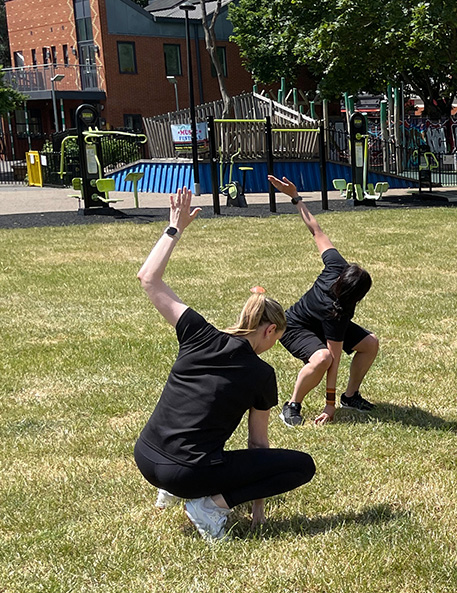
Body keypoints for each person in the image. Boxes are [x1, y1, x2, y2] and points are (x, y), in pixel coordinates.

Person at [134, 188, 316, 540]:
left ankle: (169, 493)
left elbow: (148, 278)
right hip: (186, 472)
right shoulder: (262, 374)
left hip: (146, 456)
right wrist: (256, 512)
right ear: (270, 330)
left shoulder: (198, 332)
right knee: (301, 466)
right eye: (276, 339)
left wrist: (174, 228)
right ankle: (210, 505)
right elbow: (258, 448)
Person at [268, 175, 380, 426]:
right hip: (295, 327)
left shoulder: (336, 270)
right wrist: (329, 406)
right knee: (322, 359)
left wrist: (295, 198)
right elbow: (334, 361)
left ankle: (350, 397)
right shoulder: (337, 310)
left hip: (321, 324)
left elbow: (316, 230)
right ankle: (292, 405)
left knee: (370, 343)